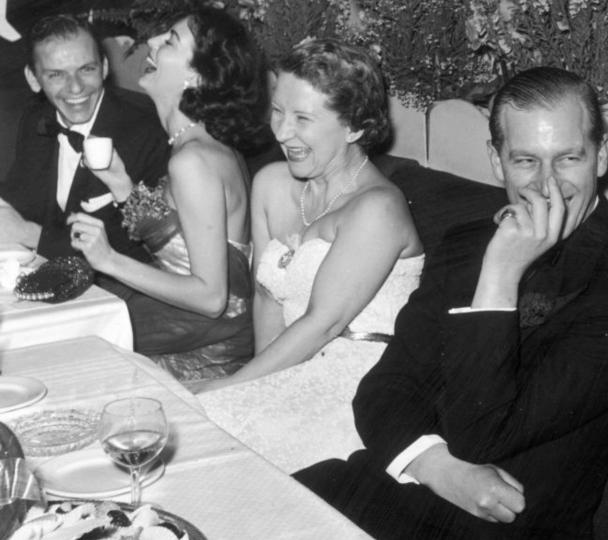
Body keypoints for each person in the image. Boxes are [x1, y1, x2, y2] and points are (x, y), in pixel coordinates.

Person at [294, 66, 608, 539]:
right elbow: (383, 389)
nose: (548, 184)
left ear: (601, 157)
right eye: (525, 161)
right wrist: (434, 464)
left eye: (569, 159)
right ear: (496, 162)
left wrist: (499, 275)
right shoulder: (468, 242)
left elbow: (481, 433)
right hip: (391, 488)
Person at [196, 39, 424, 474]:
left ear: (355, 126)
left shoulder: (377, 207)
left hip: (356, 388)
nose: (281, 132)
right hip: (292, 370)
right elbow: (267, 298)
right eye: (278, 112)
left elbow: (325, 323)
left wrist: (230, 390)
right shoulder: (272, 183)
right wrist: (254, 385)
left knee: (201, 429)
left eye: (302, 118)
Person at [66, 7, 270, 383]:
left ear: (196, 75)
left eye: (171, 40)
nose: (153, 42)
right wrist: (122, 185)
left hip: (199, 359)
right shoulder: (200, 145)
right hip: (188, 334)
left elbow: (211, 298)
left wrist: (108, 260)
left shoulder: (193, 160)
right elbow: (180, 246)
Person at [0, 14, 167, 264]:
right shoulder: (38, 117)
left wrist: (31, 235)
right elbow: (21, 200)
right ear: (34, 80)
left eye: (86, 69)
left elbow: (138, 250)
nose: (76, 88)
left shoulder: (144, 129)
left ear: (105, 67)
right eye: (56, 75)